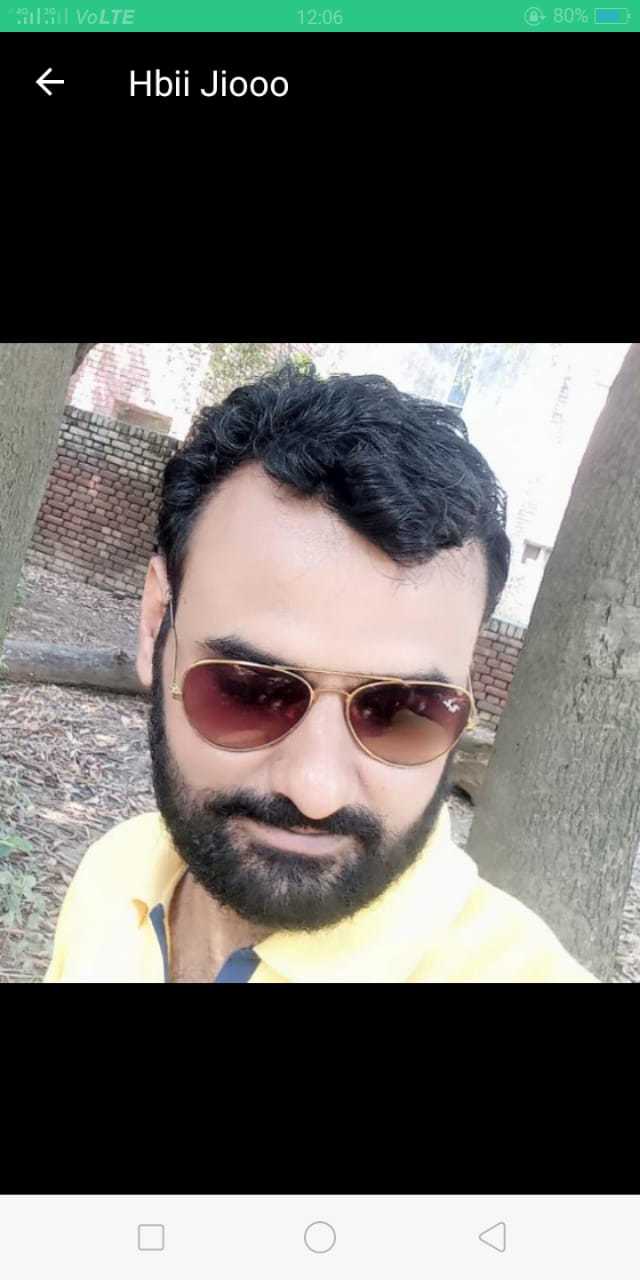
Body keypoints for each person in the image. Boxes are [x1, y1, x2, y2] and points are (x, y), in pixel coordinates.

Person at [44, 365, 597, 983]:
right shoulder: (113, 876)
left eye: (402, 710)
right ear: (155, 626)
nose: (316, 790)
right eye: (248, 689)